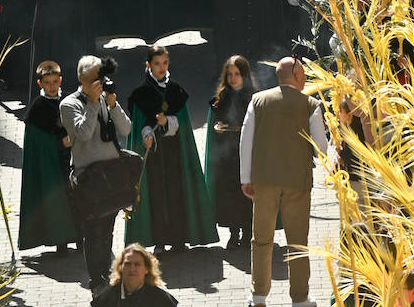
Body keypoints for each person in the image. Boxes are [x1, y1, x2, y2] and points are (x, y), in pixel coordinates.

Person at [239, 55, 330, 307]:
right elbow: (320, 148)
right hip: (297, 182)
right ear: (298, 76)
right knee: (298, 241)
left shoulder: (258, 101)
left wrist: (246, 178)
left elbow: (245, 141)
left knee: (261, 239)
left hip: (264, 181)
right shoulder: (310, 104)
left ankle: (258, 295)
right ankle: (299, 298)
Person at [125, 43, 216, 252]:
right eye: (157, 63)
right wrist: (147, 134)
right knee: (155, 195)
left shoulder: (175, 90)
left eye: (164, 63)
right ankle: (159, 241)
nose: (161, 67)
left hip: (175, 151)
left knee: (177, 193)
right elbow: (139, 122)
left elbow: (183, 122)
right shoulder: (141, 92)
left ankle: (179, 238)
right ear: (148, 65)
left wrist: (168, 121)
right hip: (154, 154)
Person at [60, 54, 134, 299]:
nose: (100, 83)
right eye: (95, 79)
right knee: (93, 232)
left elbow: (126, 128)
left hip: (111, 175)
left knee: (108, 229)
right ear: (82, 79)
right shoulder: (68, 104)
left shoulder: (104, 98)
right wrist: (93, 103)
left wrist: (112, 105)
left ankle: (106, 276)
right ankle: (96, 281)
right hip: (89, 179)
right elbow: (82, 133)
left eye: (101, 78)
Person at [18, 60, 77, 252]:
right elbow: (37, 143)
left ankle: (80, 236)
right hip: (51, 163)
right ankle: (61, 239)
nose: (52, 86)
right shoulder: (37, 108)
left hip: (73, 160)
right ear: (40, 84)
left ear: (60, 80)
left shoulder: (69, 101)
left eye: (55, 81)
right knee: (57, 199)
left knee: (77, 198)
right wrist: (59, 144)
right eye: (47, 83)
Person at [205, 54, 256, 249]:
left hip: (247, 155)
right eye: (230, 74)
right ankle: (234, 233)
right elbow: (215, 123)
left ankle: (248, 233)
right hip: (227, 157)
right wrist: (217, 128)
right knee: (229, 195)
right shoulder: (220, 99)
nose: (233, 78)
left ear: (245, 75)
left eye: (237, 73)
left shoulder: (254, 99)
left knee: (248, 194)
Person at [93, 244, 178, 307]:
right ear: (120, 267)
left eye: (137, 264)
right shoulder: (105, 300)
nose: (132, 269)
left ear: (146, 269)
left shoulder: (162, 300)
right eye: (127, 264)